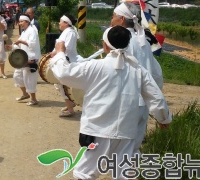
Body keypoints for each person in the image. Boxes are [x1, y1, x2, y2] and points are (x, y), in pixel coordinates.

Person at [49, 26, 172, 179]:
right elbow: (155, 96)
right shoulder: (137, 70)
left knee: (84, 172)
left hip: (97, 129)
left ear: (105, 45)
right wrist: (163, 118)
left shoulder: (95, 67)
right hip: (126, 131)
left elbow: (64, 73)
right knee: (124, 172)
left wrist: (60, 53)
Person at [111, 2, 164, 155]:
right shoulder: (144, 41)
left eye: (114, 16)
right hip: (142, 102)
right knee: (134, 146)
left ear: (121, 19)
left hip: (126, 101)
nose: (111, 19)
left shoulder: (122, 42)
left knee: (120, 147)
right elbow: (156, 73)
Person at [49, 14, 79, 117]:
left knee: (64, 85)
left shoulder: (70, 33)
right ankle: (70, 103)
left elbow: (67, 48)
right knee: (61, 85)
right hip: (63, 59)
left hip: (67, 61)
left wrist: (55, 54)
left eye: (60, 21)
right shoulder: (66, 32)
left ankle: (70, 110)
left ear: (66, 23)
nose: (59, 23)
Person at [11, 14, 41, 105]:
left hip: (31, 58)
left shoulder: (32, 31)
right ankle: (25, 94)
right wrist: (13, 46)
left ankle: (33, 99)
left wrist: (20, 41)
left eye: (22, 21)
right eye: (19, 22)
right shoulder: (24, 32)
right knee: (17, 75)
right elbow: (19, 43)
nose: (20, 23)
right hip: (23, 58)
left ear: (27, 22)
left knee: (29, 79)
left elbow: (32, 44)